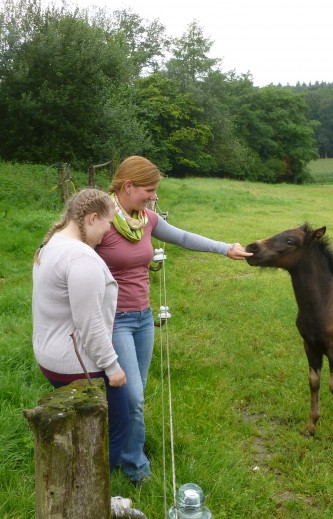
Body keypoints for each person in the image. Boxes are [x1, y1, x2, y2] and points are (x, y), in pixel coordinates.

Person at [95, 156, 252, 484]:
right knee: (134, 397)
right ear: (128, 186)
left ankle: (119, 453)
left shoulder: (145, 220)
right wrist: (47, 249)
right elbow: (68, 245)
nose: (153, 197)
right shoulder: (100, 221)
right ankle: (135, 468)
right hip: (114, 321)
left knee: (133, 395)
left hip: (143, 318)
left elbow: (183, 237)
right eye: (149, 190)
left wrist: (226, 248)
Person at [32, 188, 128, 470]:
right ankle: (96, 486)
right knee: (119, 425)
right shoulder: (81, 259)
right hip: (76, 363)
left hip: (50, 356)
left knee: (81, 428)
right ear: (92, 218)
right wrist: (112, 368)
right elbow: (90, 322)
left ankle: (76, 471)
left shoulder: (51, 245)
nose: (108, 231)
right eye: (108, 224)